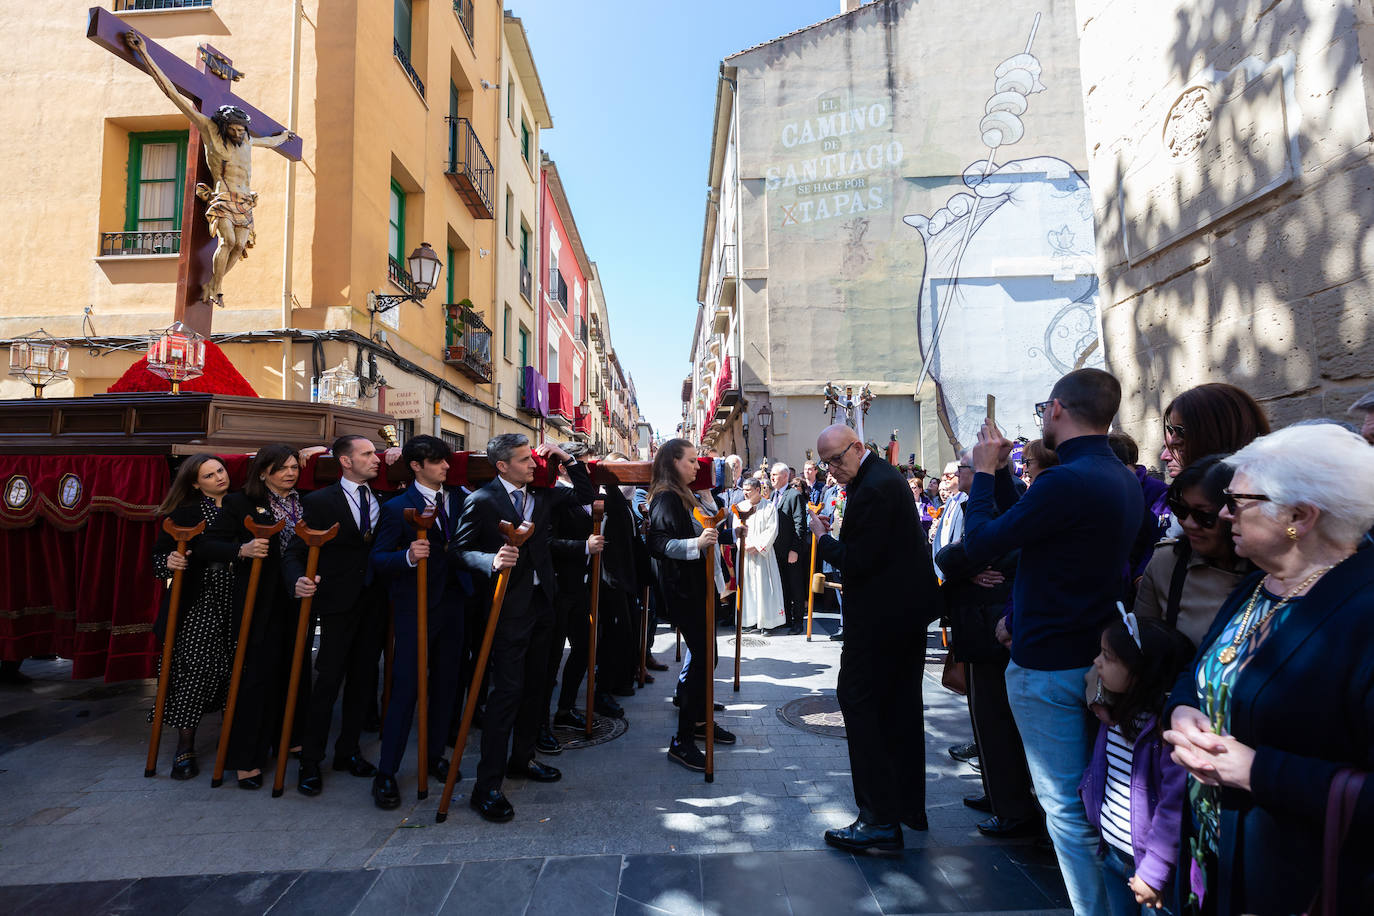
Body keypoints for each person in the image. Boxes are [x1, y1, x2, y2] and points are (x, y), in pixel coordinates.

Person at [1162, 423, 1374, 916]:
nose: (1221, 513)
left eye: (1237, 502)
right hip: (1214, 862)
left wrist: (1259, 772)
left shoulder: (1363, 612)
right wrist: (1182, 711)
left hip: (1302, 884)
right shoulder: (1260, 586)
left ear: (1299, 516)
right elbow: (1201, 675)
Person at [962, 368, 1143, 914]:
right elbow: (1036, 521)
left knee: (1065, 807)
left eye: (1044, 407)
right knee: (1094, 799)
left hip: (1049, 662)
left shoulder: (1067, 481)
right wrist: (1000, 478)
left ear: (1057, 409)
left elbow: (981, 543)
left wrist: (981, 474)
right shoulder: (1118, 475)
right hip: (1094, 655)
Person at [807, 424, 942, 851]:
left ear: (858, 448)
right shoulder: (880, 479)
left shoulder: (875, 487)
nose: (831, 470)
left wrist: (823, 537)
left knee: (861, 703)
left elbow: (858, 561)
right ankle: (905, 807)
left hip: (882, 621)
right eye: (825, 462)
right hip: (900, 617)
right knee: (900, 709)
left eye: (836, 459)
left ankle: (879, 819)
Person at [451, 434, 593, 823]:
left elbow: (585, 493)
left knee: (537, 688)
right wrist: (491, 561)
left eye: (533, 458)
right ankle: (487, 786)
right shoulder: (481, 501)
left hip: (542, 604)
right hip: (505, 609)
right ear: (502, 466)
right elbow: (458, 550)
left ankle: (522, 759)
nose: (533, 465)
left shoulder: (544, 496)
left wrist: (566, 457)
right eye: (523, 460)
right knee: (506, 694)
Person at [123, 32, 296, 306]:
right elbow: (172, 93)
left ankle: (214, 284)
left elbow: (272, 140)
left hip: (245, 201)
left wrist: (286, 138)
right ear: (225, 127)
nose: (240, 134)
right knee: (227, 241)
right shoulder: (210, 130)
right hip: (223, 197)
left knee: (239, 246)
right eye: (236, 129)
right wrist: (145, 53)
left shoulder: (249, 140)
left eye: (242, 130)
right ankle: (215, 286)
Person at [935, 452, 1038, 839]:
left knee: (996, 721)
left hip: (992, 627)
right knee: (986, 720)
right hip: (979, 623)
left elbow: (956, 554)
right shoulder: (978, 500)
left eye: (963, 468)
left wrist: (965, 561)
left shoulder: (997, 499)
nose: (959, 474)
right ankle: (998, 793)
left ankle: (1012, 806)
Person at [368, 435, 471, 809]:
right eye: (437, 461)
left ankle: (434, 756)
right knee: (406, 689)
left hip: (453, 605)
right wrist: (408, 556)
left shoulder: (459, 500)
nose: (446, 467)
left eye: (446, 460)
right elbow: (378, 560)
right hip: (416, 608)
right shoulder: (397, 508)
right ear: (416, 466)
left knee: (447, 686)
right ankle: (387, 772)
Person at [283, 435, 387, 797]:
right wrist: (297, 580)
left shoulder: (382, 500)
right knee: (327, 682)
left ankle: (349, 751)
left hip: (373, 605)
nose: (377, 460)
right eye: (368, 454)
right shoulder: (319, 501)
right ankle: (310, 761)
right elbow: (294, 552)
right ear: (345, 461)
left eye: (376, 454)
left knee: (363, 680)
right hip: (335, 605)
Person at [1080, 614, 1192, 915]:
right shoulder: (1116, 713)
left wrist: (1154, 873)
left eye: (1108, 656)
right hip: (1114, 854)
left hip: (1154, 872)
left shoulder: (1166, 732)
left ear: (1141, 672)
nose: (1097, 662)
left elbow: (1174, 808)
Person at [209, 444, 306, 789]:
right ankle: (246, 758)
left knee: (295, 668)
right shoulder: (239, 503)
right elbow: (209, 545)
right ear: (263, 472)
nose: (290, 473)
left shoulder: (304, 500)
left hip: (298, 597)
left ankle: (290, 735)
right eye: (282, 468)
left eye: (294, 466)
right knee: (257, 676)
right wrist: (242, 549)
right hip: (258, 601)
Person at [150, 454, 247, 780]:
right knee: (199, 668)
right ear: (195, 483)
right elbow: (158, 559)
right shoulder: (184, 513)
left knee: (237, 666)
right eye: (209, 475)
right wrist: (169, 562)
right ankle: (185, 745)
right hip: (199, 598)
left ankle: (235, 740)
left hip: (238, 596)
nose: (219, 477)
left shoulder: (241, 505)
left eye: (220, 470)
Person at [1132, 456, 1251, 648]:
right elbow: (1138, 647)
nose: (1188, 523)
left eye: (1203, 515)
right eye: (1180, 510)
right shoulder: (1167, 562)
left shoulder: (1268, 571)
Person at [1159, 383, 1269, 480]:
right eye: (1171, 429)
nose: (1173, 441)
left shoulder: (1259, 493)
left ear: (1223, 432)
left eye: (1181, 430)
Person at [732, 477, 786, 633]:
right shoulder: (740, 507)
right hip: (745, 554)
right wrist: (744, 544)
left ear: (757, 490)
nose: (745, 493)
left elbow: (772, 529)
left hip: (763, 555)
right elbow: (736, 528)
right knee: (746, 587)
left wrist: (758, 546)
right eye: (744, 490)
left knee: (765, 588)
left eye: (748, 490)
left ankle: (767, 623)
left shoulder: (769, 507)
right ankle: (748, 621)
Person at [770, 462, 808, 634]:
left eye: (775, 474)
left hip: (791, 551)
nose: (771, 477)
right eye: (771, 474)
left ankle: (798, 622)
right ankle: (785, 619)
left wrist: (795, 549)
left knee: (795, 587)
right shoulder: (772, 495)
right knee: (782, 586)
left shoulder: (794, 495)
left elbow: (800, 524)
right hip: (776, 551)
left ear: (785, 476)